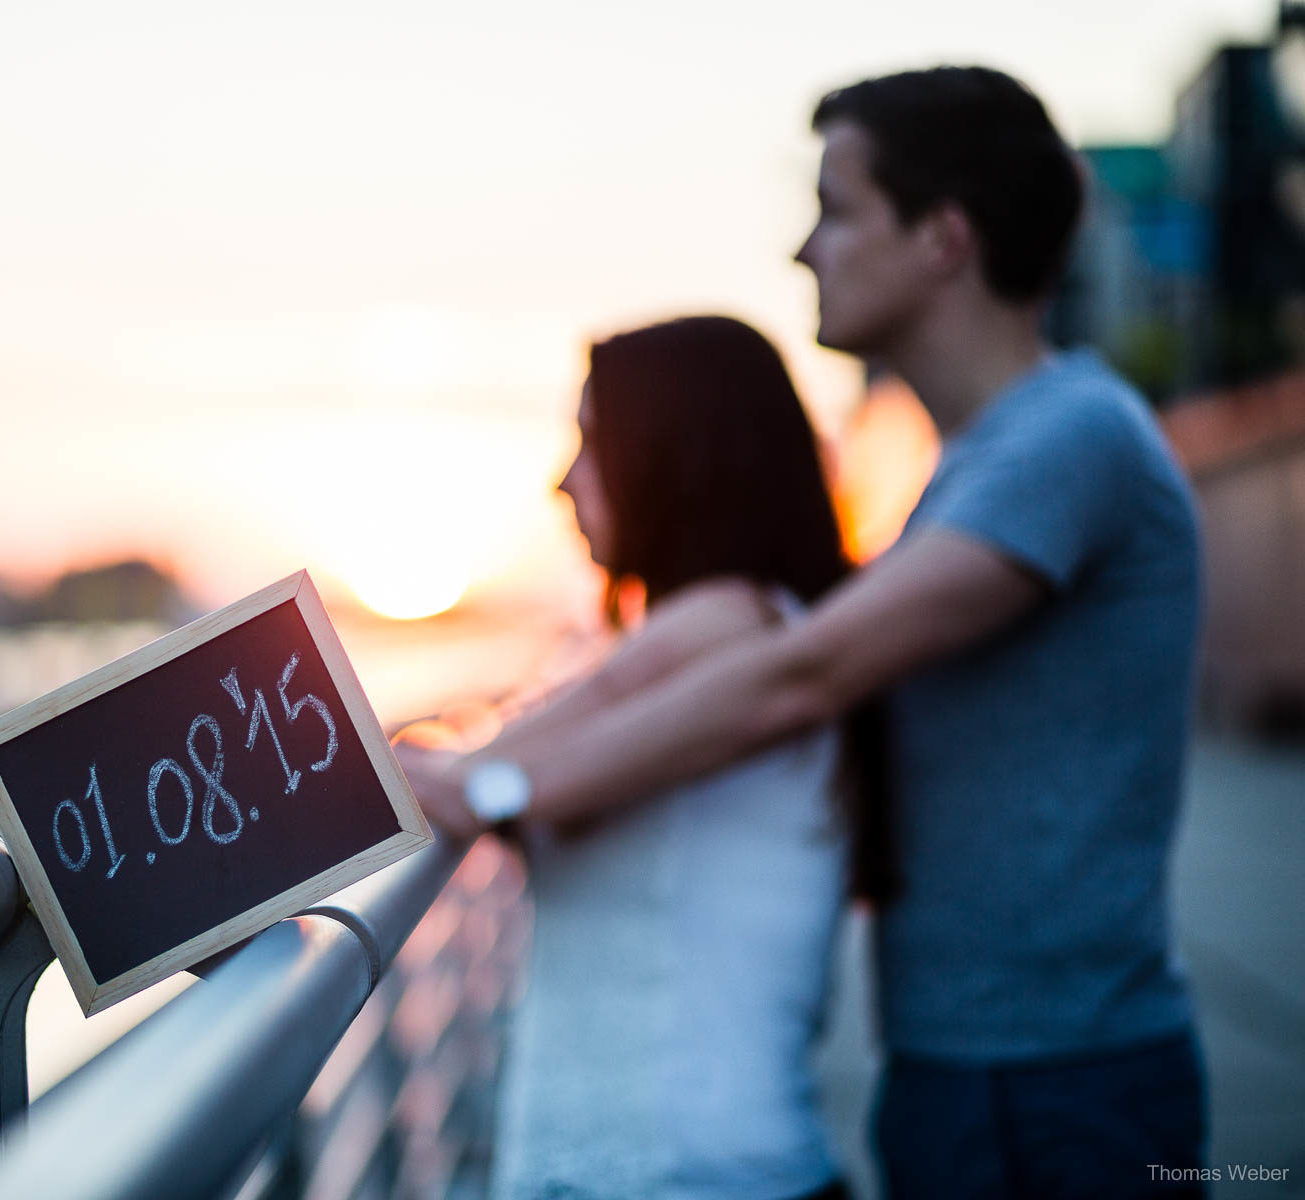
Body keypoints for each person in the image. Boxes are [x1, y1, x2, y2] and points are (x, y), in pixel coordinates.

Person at [400, 66, 1205, 1199]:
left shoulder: (1072, 439)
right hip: (956, 1070)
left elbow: (806, 671)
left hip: (1071, 1082)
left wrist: (496, 790)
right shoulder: (967, 477)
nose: (804, 251)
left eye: (837, 208)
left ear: (944, 238)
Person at [443, 315, 882, 1200]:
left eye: (592, 442)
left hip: (680, 1178)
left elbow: (497, 779)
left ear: (677, 461)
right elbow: (489, 772)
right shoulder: (756, 623)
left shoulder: (724, 626)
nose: (563, 481)